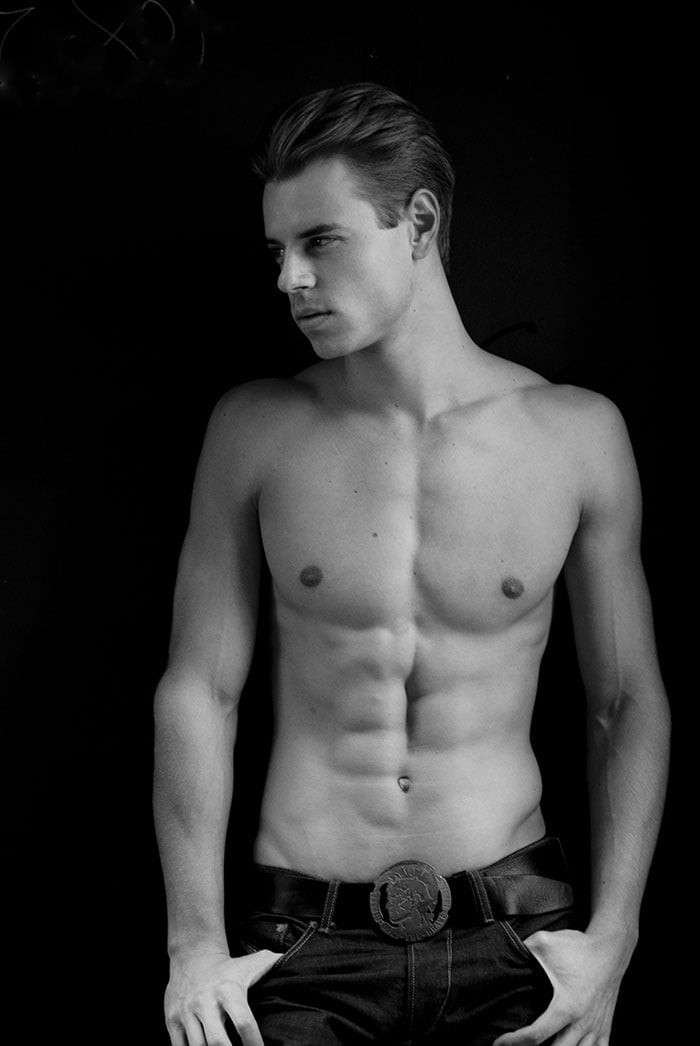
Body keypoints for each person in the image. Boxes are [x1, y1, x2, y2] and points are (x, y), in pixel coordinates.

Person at [153, 82, 670, 1046]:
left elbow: (625, 701)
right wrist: (193, 946)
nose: (290, 279)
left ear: (420, 222)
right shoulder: (256, 429)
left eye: (321, 241)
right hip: (298, 946)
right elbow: (199, 691)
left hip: (521, 941)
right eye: (277, 251)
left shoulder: (576, 436)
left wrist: (616, 940)